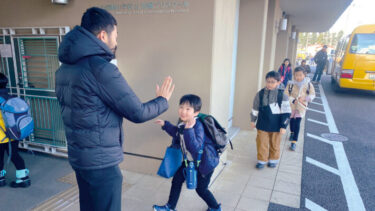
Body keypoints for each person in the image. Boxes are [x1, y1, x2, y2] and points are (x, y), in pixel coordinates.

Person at [55, 7, 175, 211]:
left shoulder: (64, 69)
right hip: (101, 163)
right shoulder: (101, 69)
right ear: (103, 35)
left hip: (80, 157)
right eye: (116, 35)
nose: (117, 41)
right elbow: (137, 112)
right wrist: (162, 101)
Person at [153, 94, 221, 211]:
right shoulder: (182, 123)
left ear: (196, 112)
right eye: (181, 107)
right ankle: (170, 207)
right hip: (189, 162)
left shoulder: (198, 126)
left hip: (205, 163)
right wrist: (166, 125)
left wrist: (189, 130)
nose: (183, 111)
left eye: (188, 109)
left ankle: (215, 207)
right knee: (177, 181)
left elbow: (196, 148)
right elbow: (177, 133)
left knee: (201, 189)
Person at [250, 71, 291, 169]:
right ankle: (262, 160)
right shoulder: (260, 94)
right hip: (262, 123)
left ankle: (273, 159)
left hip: (277, 125)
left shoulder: (282, 96)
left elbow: (286, 113)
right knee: (261, 143)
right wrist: (253, 120)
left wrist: (283, 126)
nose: (269, 84)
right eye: (268, 81)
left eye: (272, 82)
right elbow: (255, 108)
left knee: (275, 144)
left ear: (278, 82)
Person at [0, 73, 30, 188]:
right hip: (13, 133)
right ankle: (23, 179)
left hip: (1, 137)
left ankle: (1, 179)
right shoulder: (12, 98)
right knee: (14, 155)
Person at [285, 67, 315, 151]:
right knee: (292, 120)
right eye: (296, 75)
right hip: (291, 106)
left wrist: (305, 99)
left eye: (300, 75)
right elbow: (286, 95)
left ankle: (294, 142)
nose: (298, 77)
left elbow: (312, 95)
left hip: (301, 107)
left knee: (297, 122)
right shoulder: (290, 84)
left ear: (304, 75)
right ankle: (291, 132)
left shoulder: (308, 84)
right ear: (294, 75)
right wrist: (293, 100)